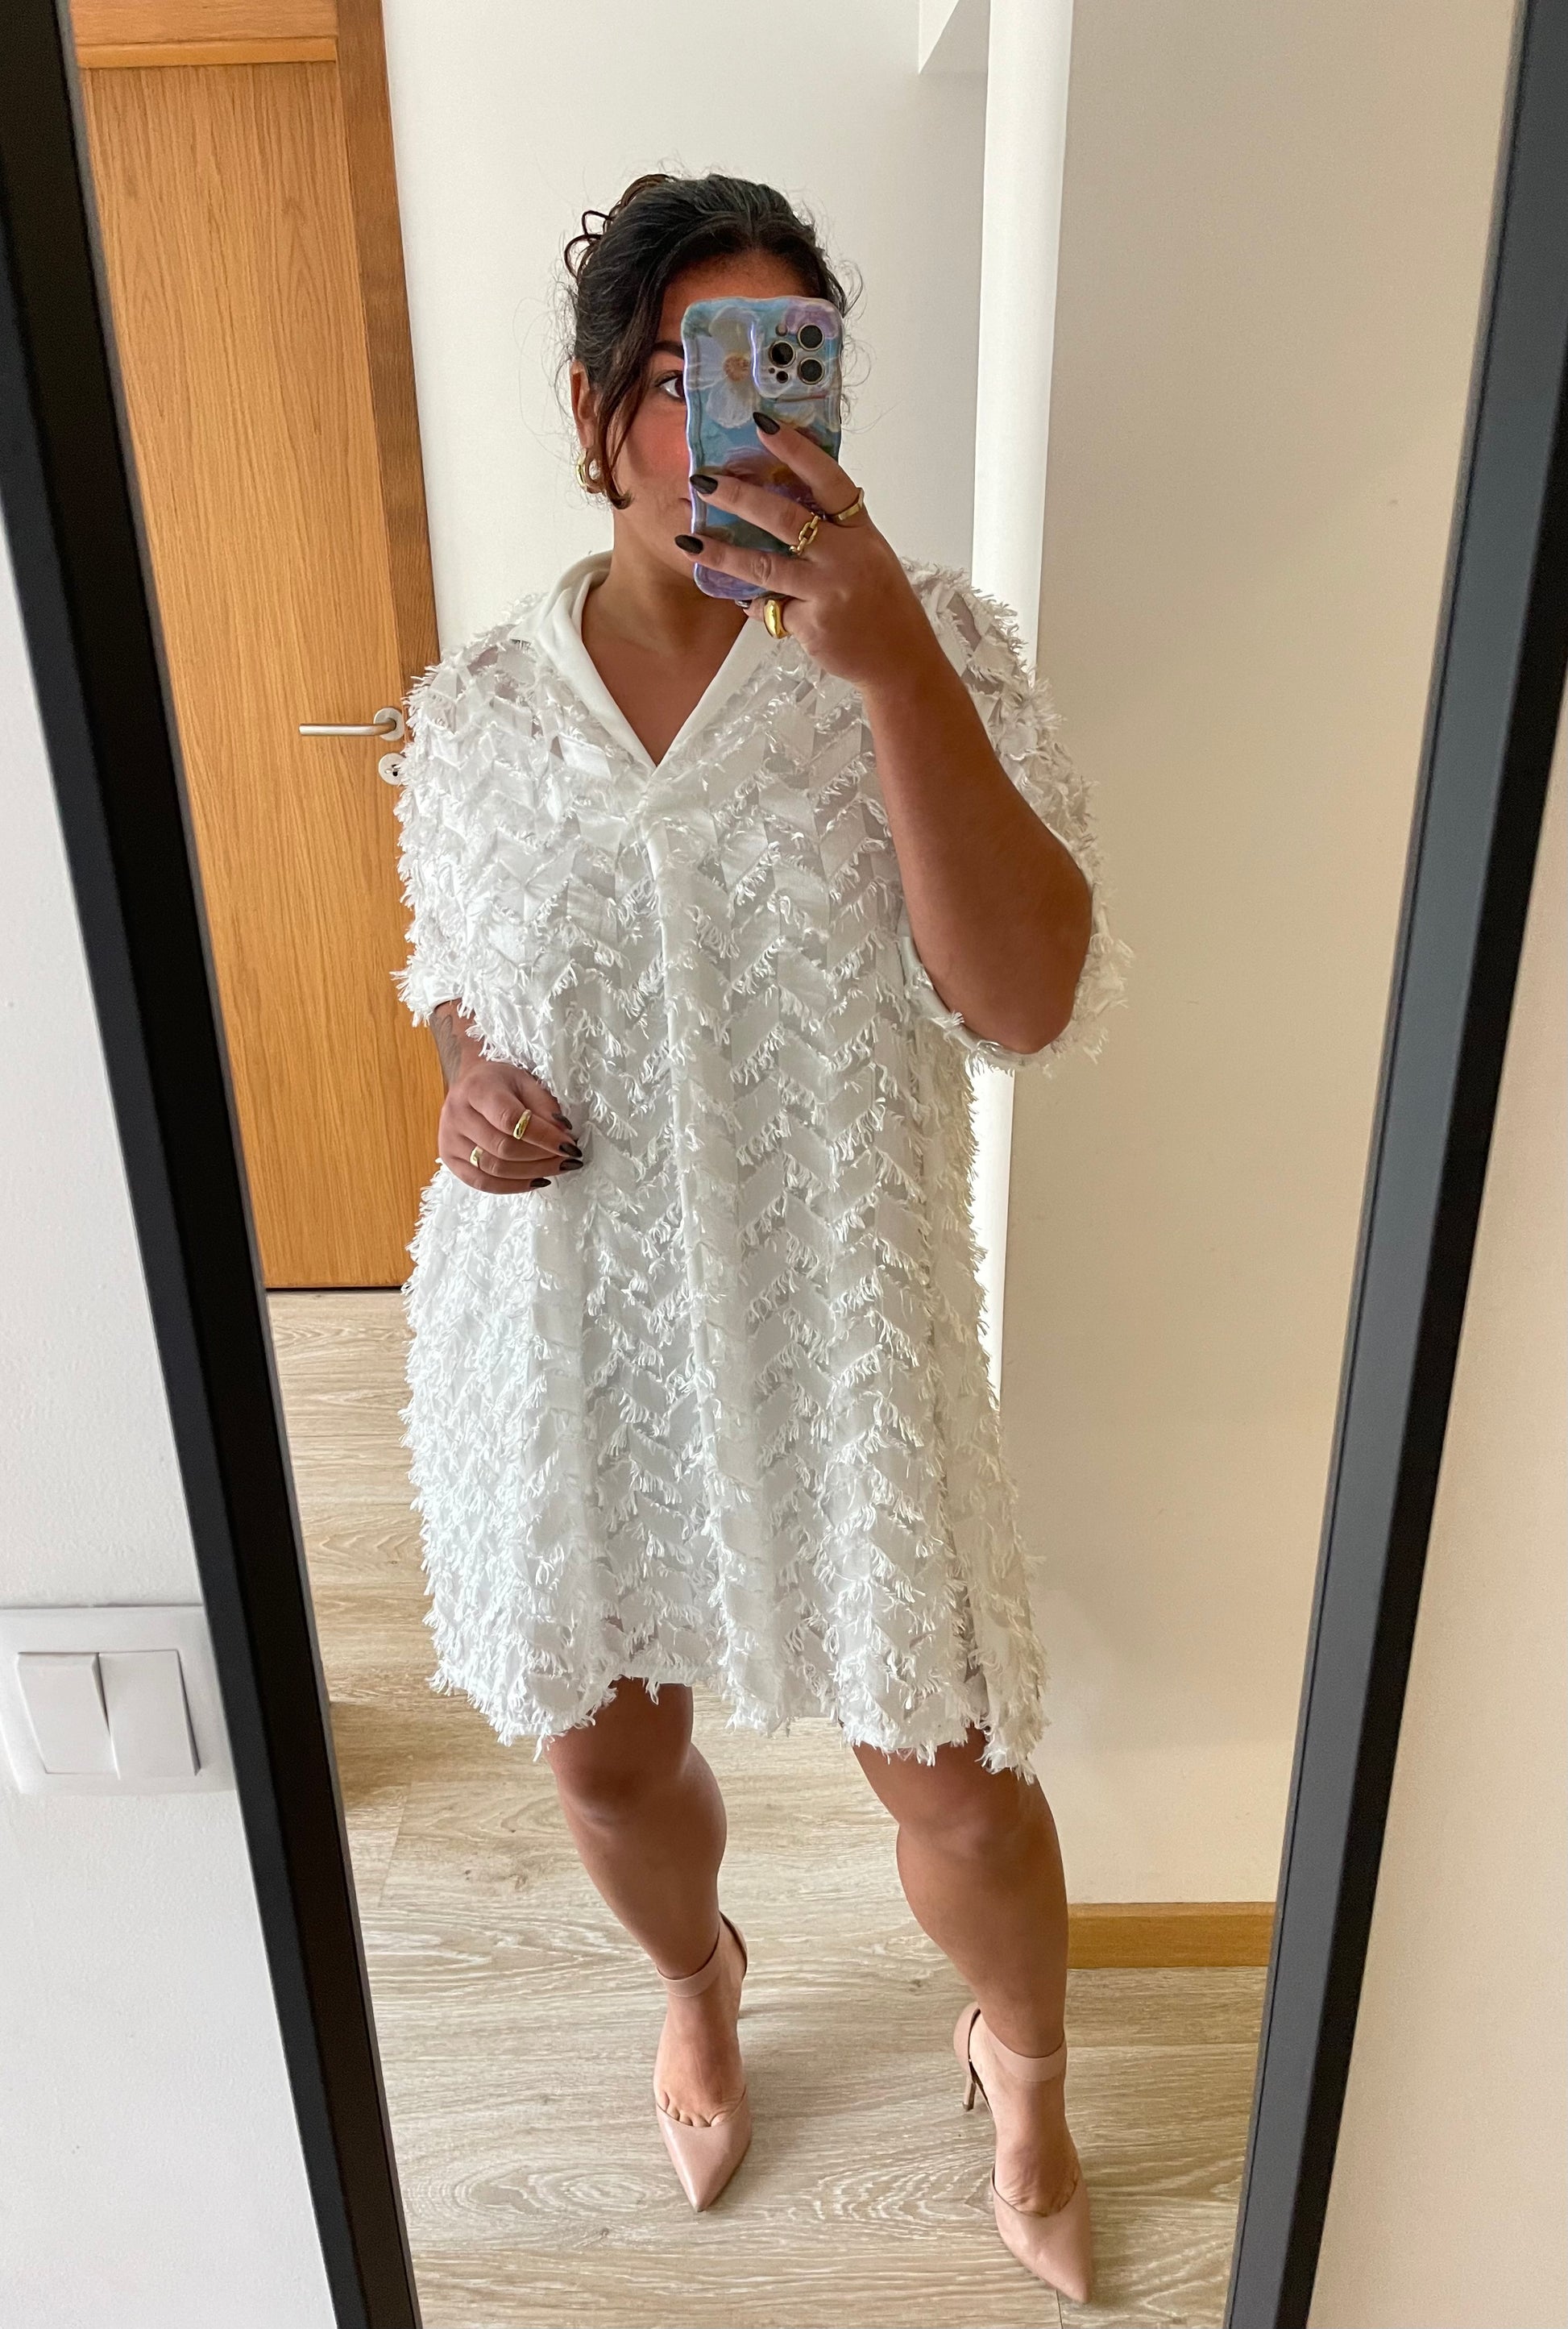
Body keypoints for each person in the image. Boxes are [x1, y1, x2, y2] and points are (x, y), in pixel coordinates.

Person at [391, 170, 1122, 2302]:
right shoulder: (477, 708)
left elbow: (1025, 997)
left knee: (956, 1787)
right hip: (579, 1322)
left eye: (782, 366)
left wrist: (888, 676)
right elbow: (455, 977)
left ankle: (1026, 2069)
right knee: (606, 1756)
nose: (738, 419)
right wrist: (465, 1081)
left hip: (839, 1316)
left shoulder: (926, 642)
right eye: (683, 373)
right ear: (594, 409)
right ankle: (698, 1977)